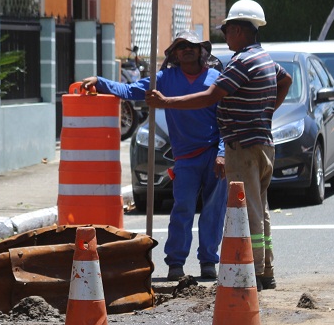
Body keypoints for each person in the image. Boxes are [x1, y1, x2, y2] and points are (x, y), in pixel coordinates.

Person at [146, 0, 293, 291]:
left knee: (246, 209)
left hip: (244, 147)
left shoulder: (241, 62)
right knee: (259, 208)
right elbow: (285, 80)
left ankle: (253, 275)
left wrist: (166, 102)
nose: (224, 36)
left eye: (226, 30)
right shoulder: (264, 58)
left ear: (238, 30)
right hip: (263, 144)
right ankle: (266, 269)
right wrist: (266, 112)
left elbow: (209, 96)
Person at [82, 30, 227, 281]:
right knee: (182, 208)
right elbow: (129, 91)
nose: (187, 49)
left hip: (213, 153)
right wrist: (100, 81)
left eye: (191, 45)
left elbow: (227, 119)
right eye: (181, 46)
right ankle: (176, 264)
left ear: (202, 50)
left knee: (214, 211)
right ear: (175, 53)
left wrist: (223, 153)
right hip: (185, 158)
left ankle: (208, 262)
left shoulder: (216, 78)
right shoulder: (164, 78)